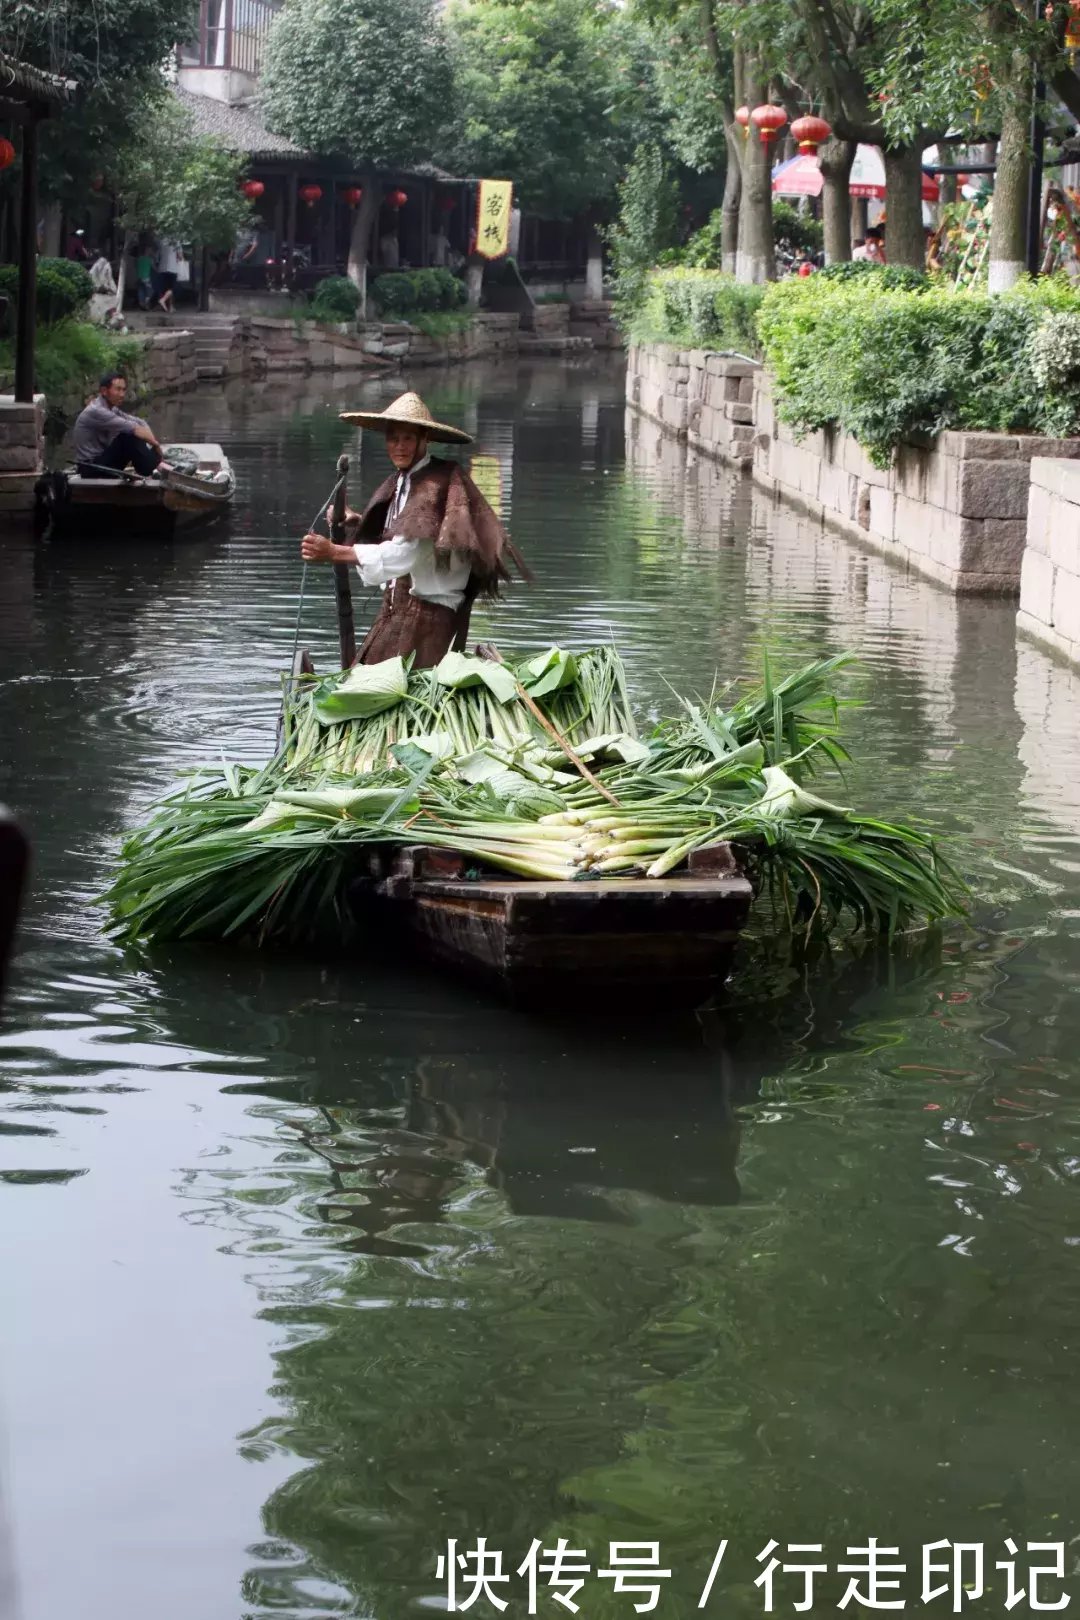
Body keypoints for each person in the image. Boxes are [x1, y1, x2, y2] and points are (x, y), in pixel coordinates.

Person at [300, 391, 529, 668]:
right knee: (359, 680)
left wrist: (335, 552)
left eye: (408, 438)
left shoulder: (435, 484)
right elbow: (400, 535)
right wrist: (354, 521)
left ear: (424, 439)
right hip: (398, 610)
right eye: (393, 438)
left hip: (428, 620)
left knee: (384, 691)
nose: (400, 446)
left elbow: (407, 553)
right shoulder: (402, 481)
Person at [71, 372, 164, 479]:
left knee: (133, 433)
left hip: (101, 462)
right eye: (118, 389)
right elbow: (134, 429)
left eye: (124, 390)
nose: (122, 394)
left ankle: (152, 465)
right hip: (90, 468)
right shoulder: (97, 411)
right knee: (129, 436)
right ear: (104, 391)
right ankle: (151, 468)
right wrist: (156, 446)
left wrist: (154, 444)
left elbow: (140, 422)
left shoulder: (111, 408)